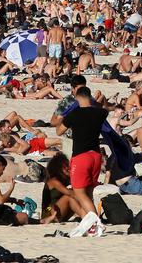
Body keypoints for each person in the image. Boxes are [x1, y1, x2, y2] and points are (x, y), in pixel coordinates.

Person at [56, 85, 104, 218]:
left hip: (81, 156)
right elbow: (102, 106)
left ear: (77, 98)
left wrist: (62, 118)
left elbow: (59, 131)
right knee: (88, 192)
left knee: (79, 193)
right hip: (96, 155)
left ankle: (95, 221)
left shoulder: (73, 114)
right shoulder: (101, 113)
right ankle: (87, 220)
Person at [40, 154, 79, 224]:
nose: (68, 168)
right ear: (58, 169)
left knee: (76, 192)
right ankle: (85, 215)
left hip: (58, 211)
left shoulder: (64, 180)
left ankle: (87, 214)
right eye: (65, 166)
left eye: (68, 165)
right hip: (48, 212)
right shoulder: (53, 181)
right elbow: (70, 193)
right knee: (69, 196)